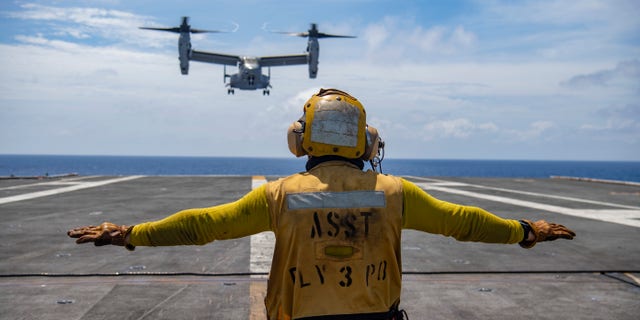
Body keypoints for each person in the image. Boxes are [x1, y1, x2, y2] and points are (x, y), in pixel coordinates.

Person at [68, 88, 576, 320]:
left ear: (299, 141)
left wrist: (130, 232)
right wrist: (524, 230)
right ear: (368, 146)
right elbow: (463, 223)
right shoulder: (395, 194)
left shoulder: (278, 195)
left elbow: (202, 226)